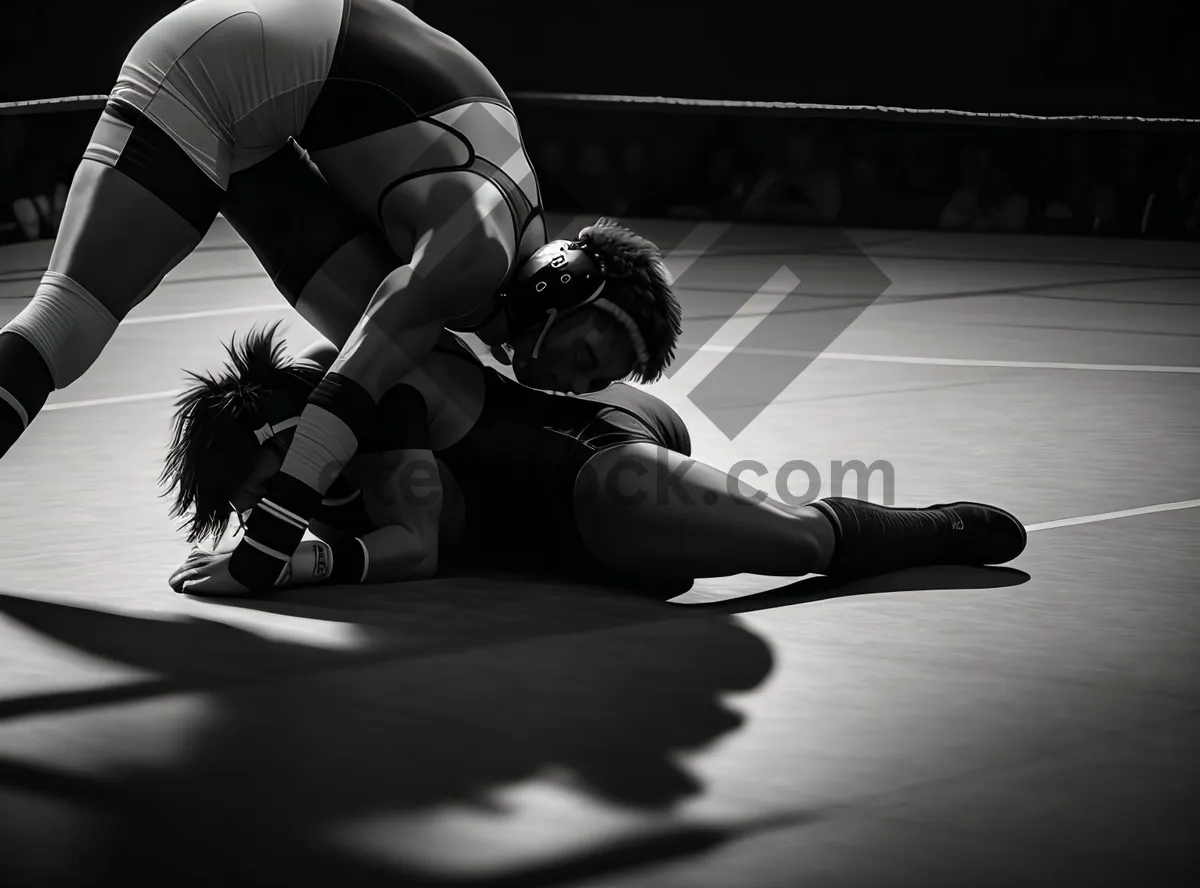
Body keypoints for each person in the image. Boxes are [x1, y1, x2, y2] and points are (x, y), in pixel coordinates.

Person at [0, 0, 680, 588]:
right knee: (70, 321)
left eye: (594, 381)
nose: (573, 385)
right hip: (218, 74)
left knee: (405, 355)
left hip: (243, 44)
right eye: (585, 356)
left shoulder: (505, 218)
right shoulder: (478, 246)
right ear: (557, 288)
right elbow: (353, 385)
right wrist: (267, 552)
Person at [166, 320, 1027, 597]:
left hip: (584, 462)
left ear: (281, 439)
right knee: (644, 571)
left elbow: (415, 544)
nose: (266, 515)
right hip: (546, 534)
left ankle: (936, 526)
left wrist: (287, 563)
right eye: (251, 510)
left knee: (798, 547)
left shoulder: (360, 390)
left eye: (258, 494)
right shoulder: (291, 467)